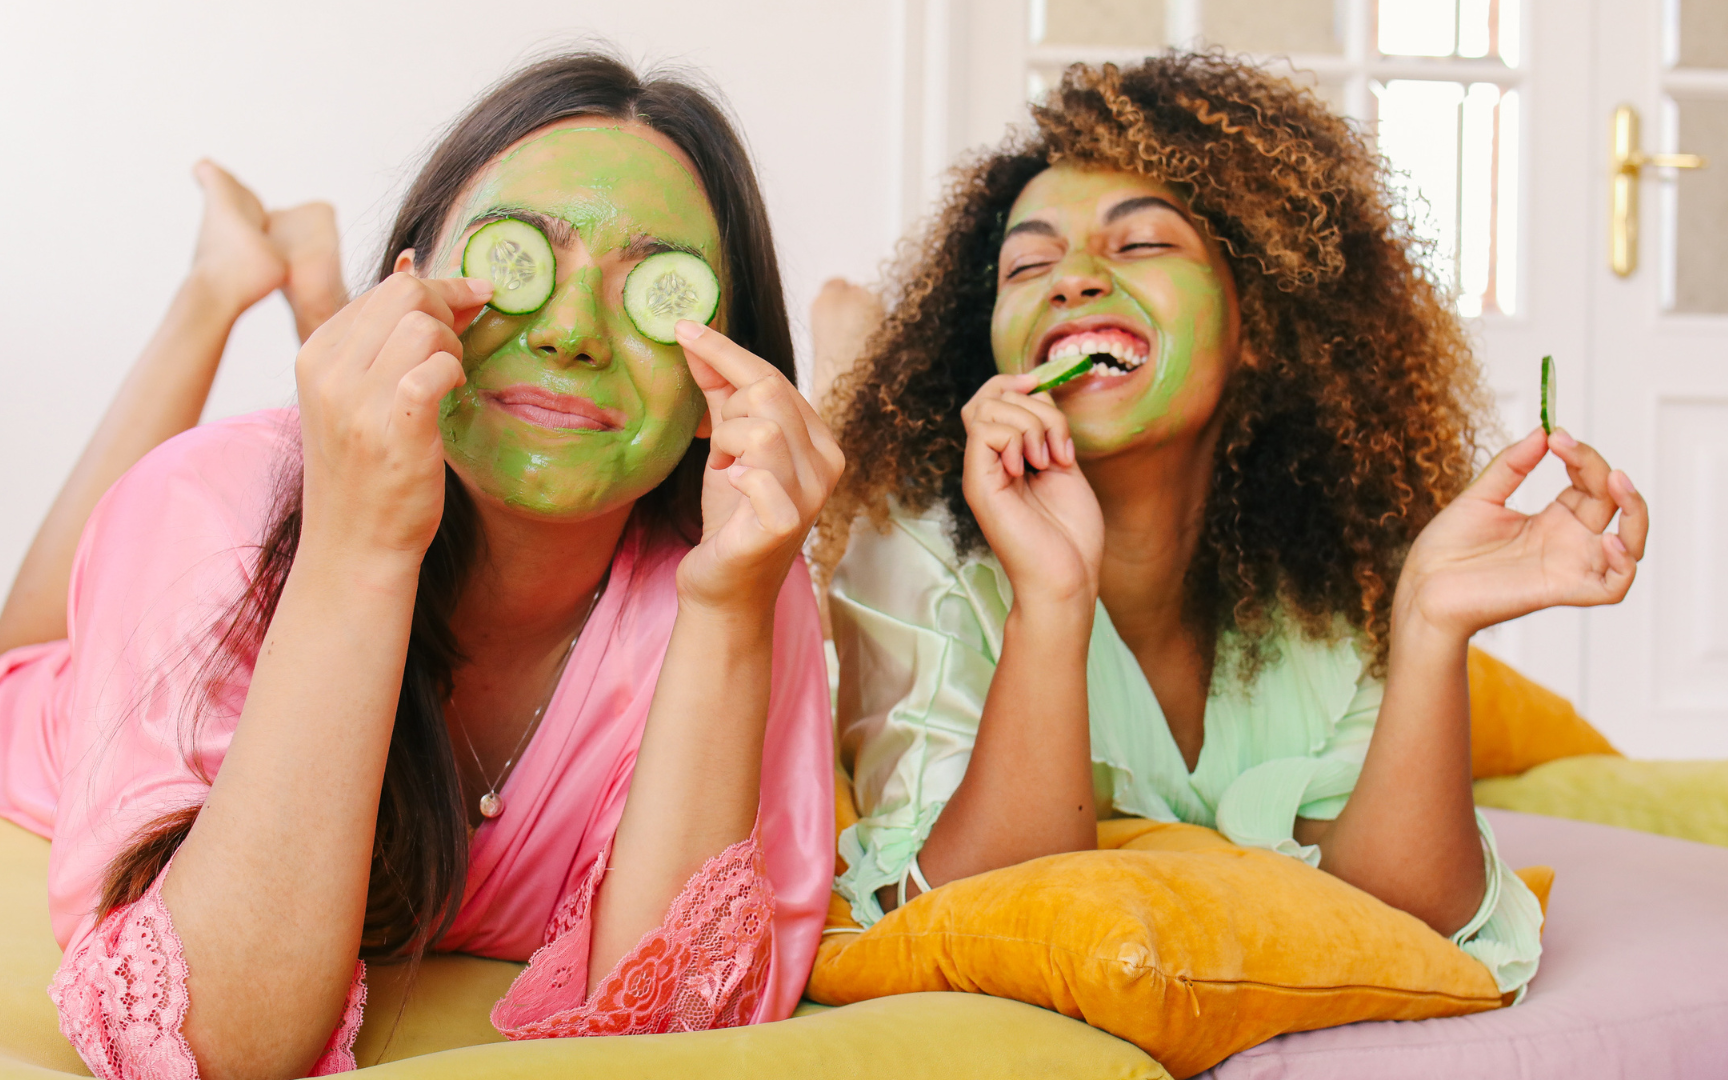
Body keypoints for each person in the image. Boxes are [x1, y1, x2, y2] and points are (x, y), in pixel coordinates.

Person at [0, 52, 840, 1079]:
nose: (573, 330)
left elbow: (664, 1034)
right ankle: (220, 284)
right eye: (522, 255)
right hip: (72, 695)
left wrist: (727, 609)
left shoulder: (740, 578)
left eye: (655, 292)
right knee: (31, 645)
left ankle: (295, 283)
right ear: (410, 286)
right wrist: (361, 544)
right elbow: (215, 1043)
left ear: (726, 376)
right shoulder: (209, 508)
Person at [816, 54, 1646, 1002]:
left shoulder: (1334, 565)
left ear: (1259, 323)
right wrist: (1051, 600)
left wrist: (1430, 624)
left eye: (1140, 248)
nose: (1075, 280)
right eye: (1029, 264)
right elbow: (970, 916)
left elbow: (1416, 917)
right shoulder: (915, 542)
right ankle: (846, 341)